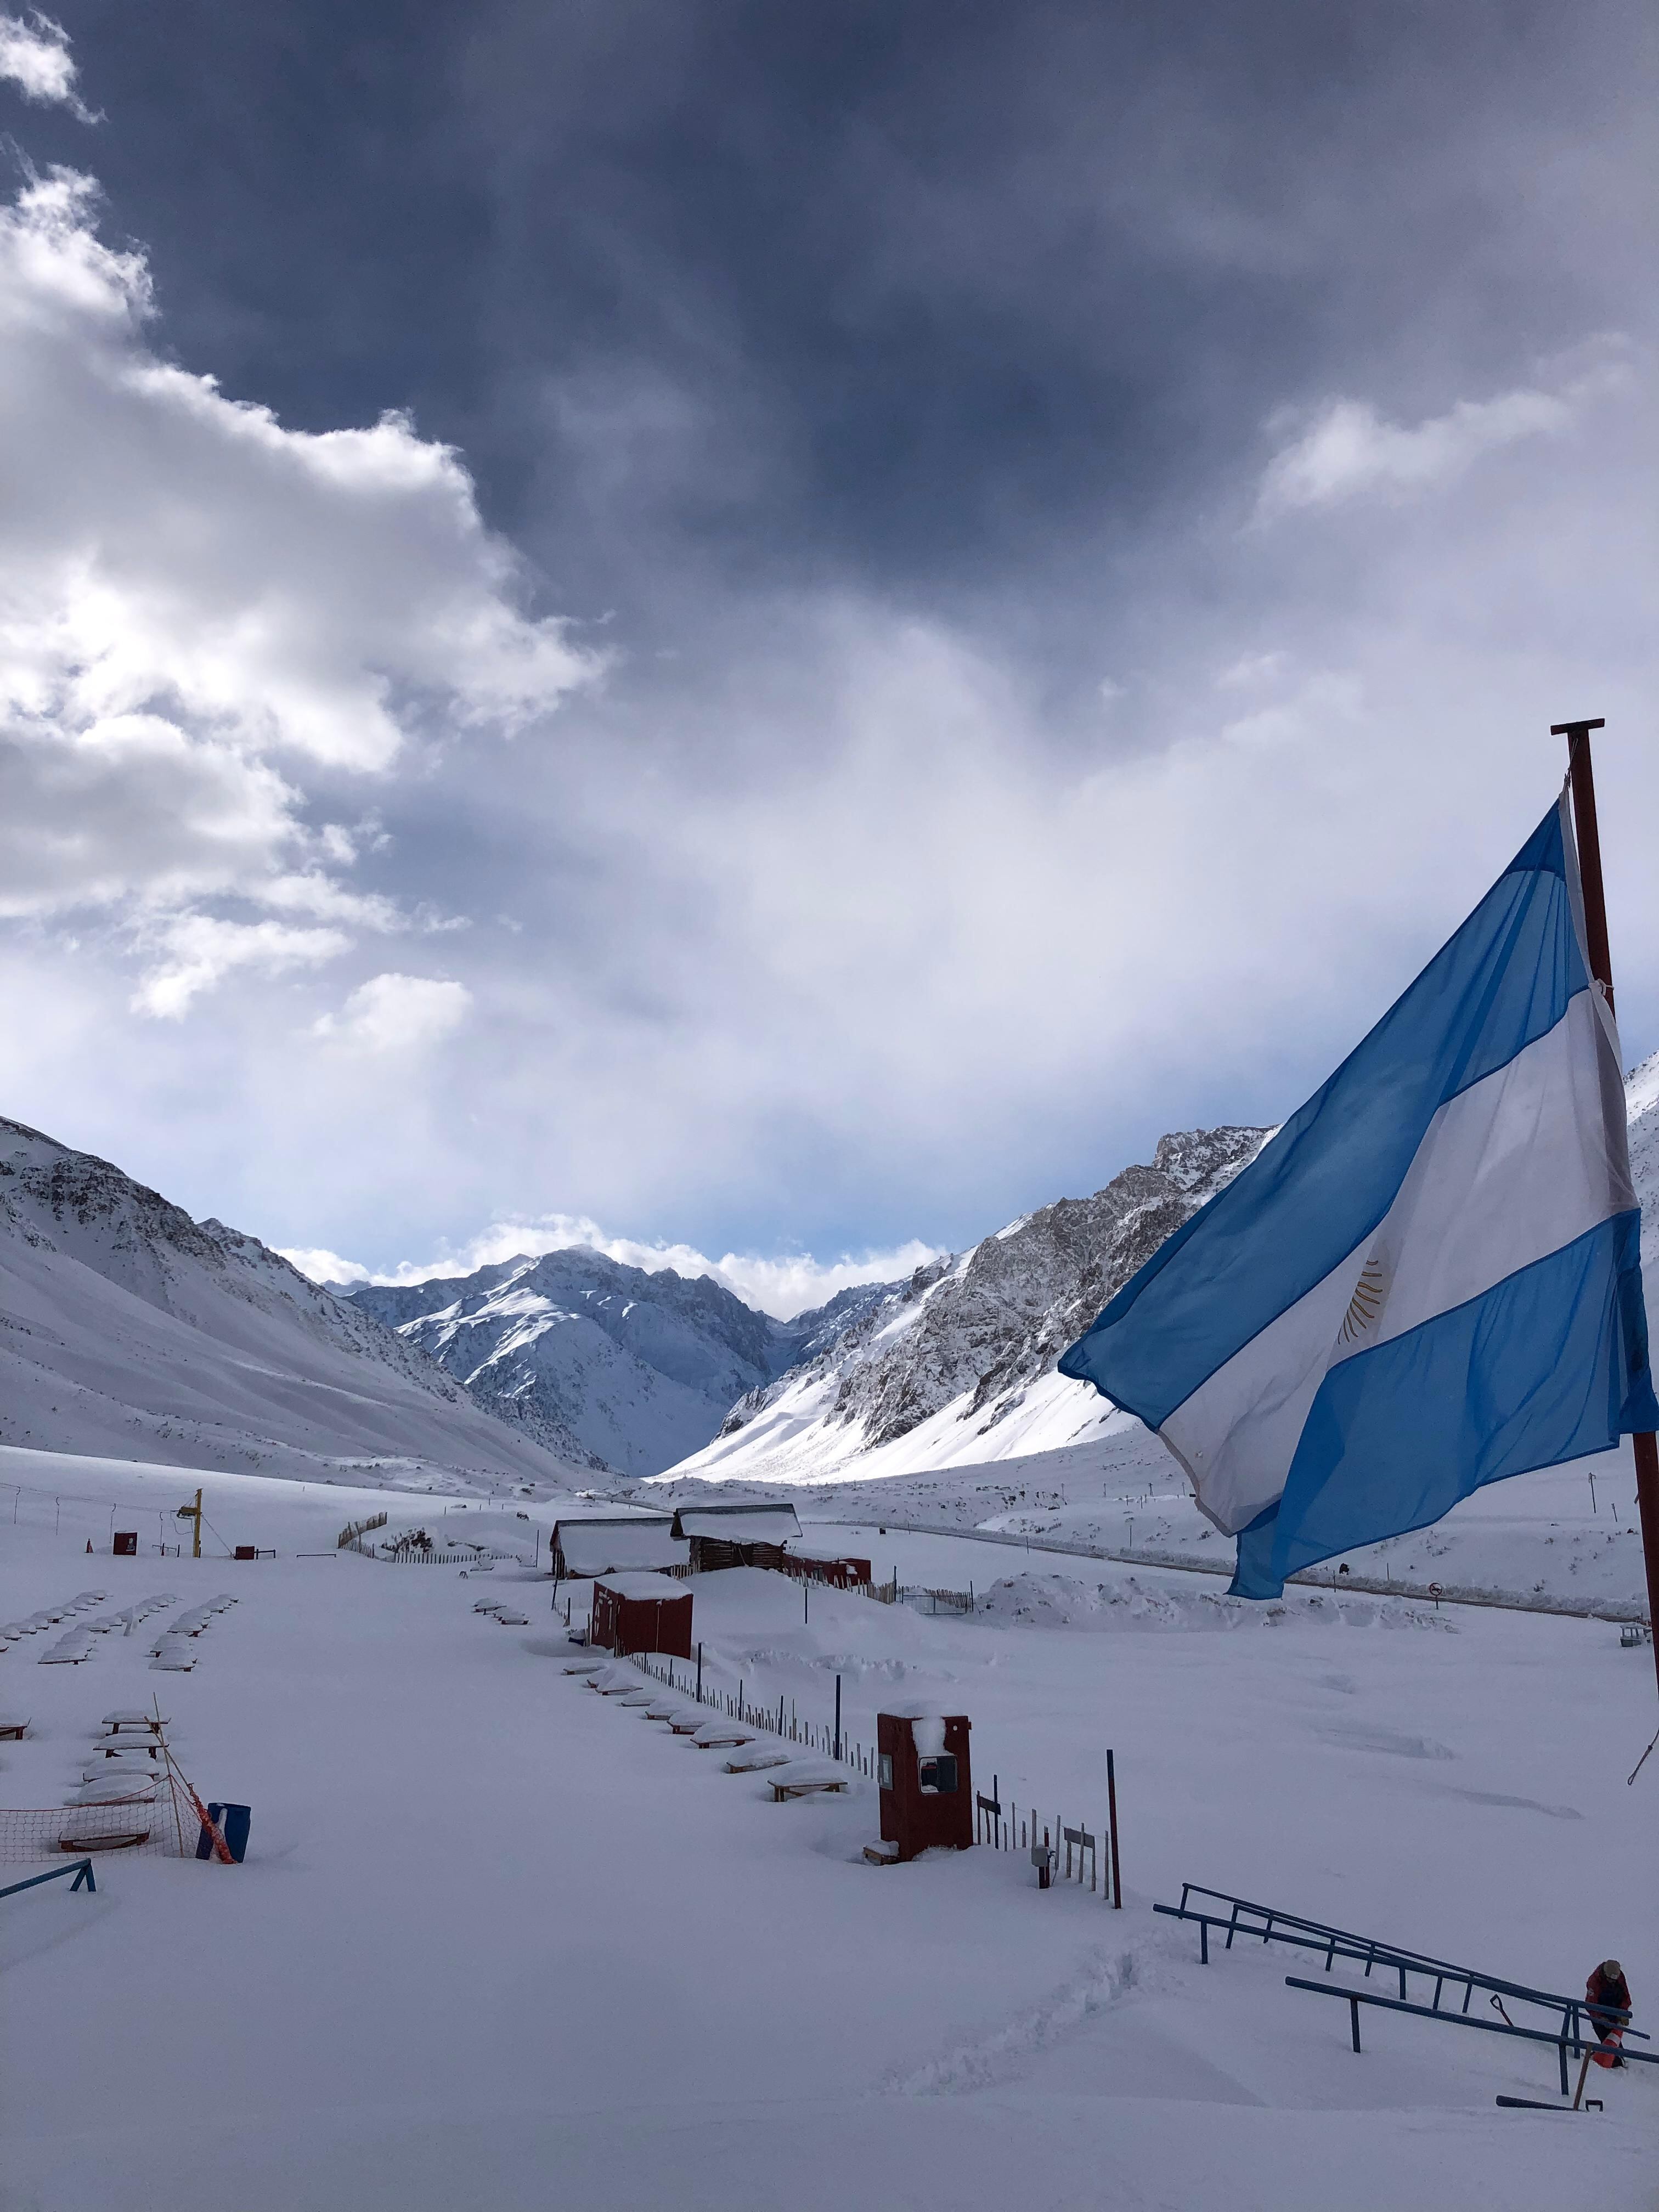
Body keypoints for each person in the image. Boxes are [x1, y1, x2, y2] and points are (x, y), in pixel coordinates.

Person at [1586, 1959, 1632, 2068]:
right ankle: (1611, 2066)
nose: (1612, 1982)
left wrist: (1623, 2012)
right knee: (1606, 2039)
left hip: (1615, 2011)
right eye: (1610, 1979)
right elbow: (1590, 2003)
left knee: (1614, 2042)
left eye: (1614, 1980)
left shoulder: (1620, 1978)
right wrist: (1600, 2018)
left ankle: (1617, 2060)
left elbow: (1626, 1996)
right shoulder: (1594, 1981)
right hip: (1599, 2014)